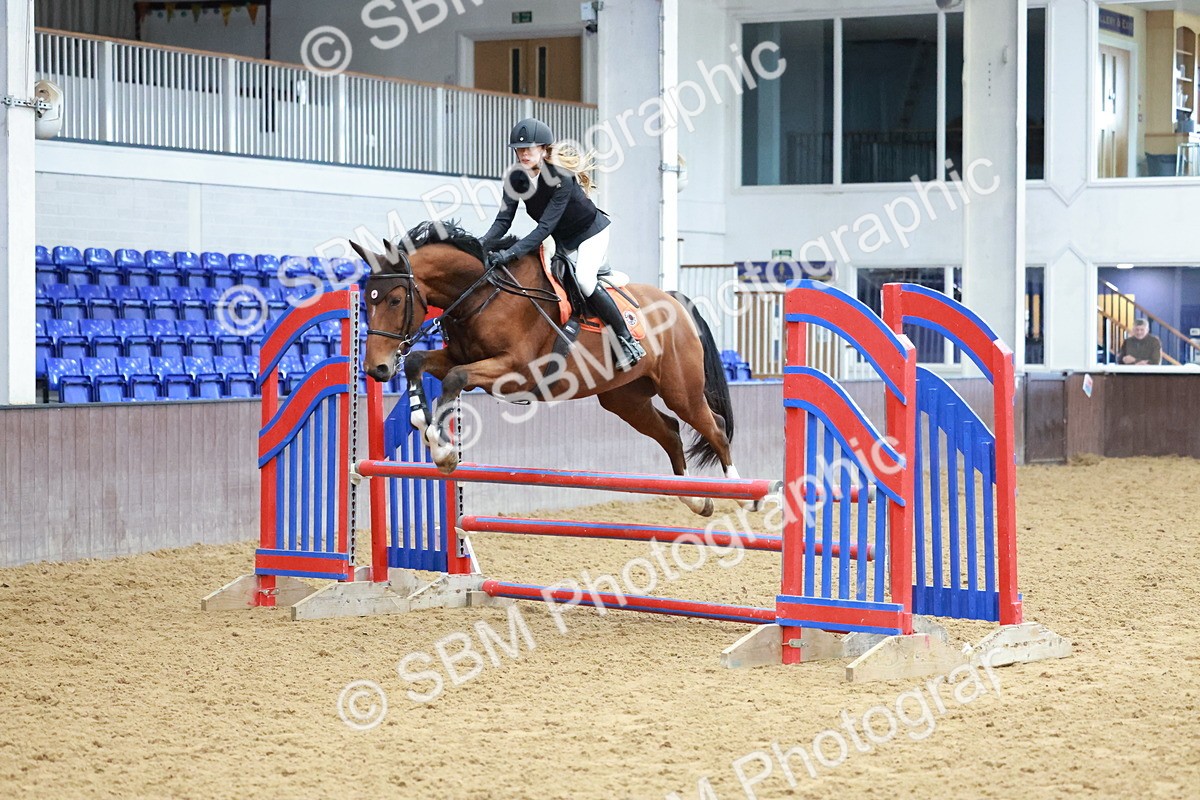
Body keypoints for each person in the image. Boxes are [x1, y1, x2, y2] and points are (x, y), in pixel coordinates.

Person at [481, 117, 645, 371]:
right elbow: (503, 222)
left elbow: (545, 226)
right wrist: (480, 245)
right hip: (560, 239)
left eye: (530, 149)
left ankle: (626, 339)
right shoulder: (515, 179)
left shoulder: (561, 179)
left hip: (590, 234)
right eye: (519, 149)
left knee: (584, 280)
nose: (524, 154)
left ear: (544, 149)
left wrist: (510, 252)